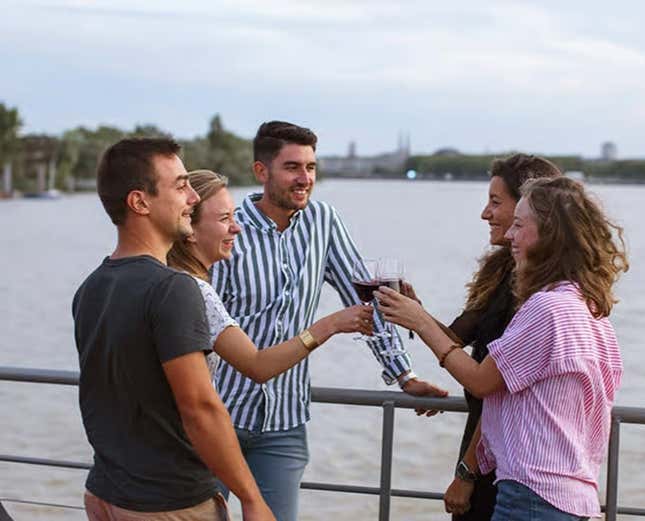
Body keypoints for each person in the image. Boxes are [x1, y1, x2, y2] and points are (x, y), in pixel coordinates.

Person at [210, 121, 447, 521]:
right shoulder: (227, 227)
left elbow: (365, 298)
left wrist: (403, 375)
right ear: (261, 172)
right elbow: (203, 324)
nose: (305, 179)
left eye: (311, 168)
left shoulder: (324, 221)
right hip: (217, 417)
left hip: (282, 424)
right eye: (292, 168)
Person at [377, 176, 628, 521]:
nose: (509, 234)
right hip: (572, 496)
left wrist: (420, 321)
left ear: (549, 236)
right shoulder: (591, 309)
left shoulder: (547, 308)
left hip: (533, 497)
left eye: (520, 225)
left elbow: (482, 382)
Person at [72, 138, 274, 521]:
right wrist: (252, 498)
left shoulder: (92, 287)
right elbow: (200, 407)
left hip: (104, 493)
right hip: (168, 503)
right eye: (180, 186)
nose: (193, 198)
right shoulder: (173, 288)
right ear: (140, 202)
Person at [428, 154, 562, 520]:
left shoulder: (536, 294)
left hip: (498, 461)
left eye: (495, 202)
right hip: (483, 446)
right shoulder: (502, 269)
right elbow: (454, 338)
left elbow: (497, 389)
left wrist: (467, 472)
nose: (485, 214)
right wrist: (408, 309)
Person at [167, 169, 374, 382]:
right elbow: (258, 366)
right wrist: (332, 324)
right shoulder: (196, 291)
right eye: (224, 218)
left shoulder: (168, 279)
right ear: (189, 229)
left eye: (234, 215)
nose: (236, 228)